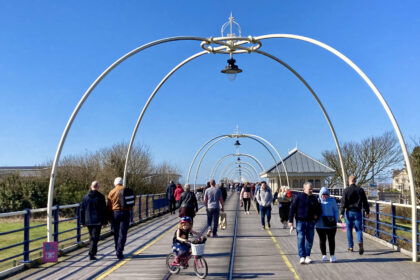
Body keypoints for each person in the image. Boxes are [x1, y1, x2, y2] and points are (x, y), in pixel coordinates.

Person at [288, 182, 321, 264]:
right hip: (300, 221)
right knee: (301, 238)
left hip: (311, 222)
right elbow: (292, 209)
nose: (311, 190)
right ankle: (302, 256)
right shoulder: (298, 198)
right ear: (304, 189)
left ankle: (307, 256)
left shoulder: (314, 198)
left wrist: (316, 216)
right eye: (309, 189)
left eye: (312, 189)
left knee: (310, 239)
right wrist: (290, 221)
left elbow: (318, 209)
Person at [340, 175, 370, 255]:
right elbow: (365, 201)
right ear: (355, 180)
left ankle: (350, 246)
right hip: (358, 212)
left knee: (349, 229)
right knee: (358, 229)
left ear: (349, 181)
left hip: (349, 212)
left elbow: (343, 202)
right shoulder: (360, 190)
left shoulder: (346, 190)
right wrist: (367, 211)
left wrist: (342, 212)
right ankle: (360, 242)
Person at [80, 181, 107, 260]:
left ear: (91, 186)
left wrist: (82, 221)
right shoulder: (101, 197)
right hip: (97, 220)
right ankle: (91, 253)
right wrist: (104, 222)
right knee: (95, 237)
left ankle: (93, 252)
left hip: (88, 220)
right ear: (98, 187)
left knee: (92, 236)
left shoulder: (85, 197)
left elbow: (82, 210)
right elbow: (104, 210)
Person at [107, 177, 131, 260]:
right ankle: (119, 251)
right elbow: (133, 200)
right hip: (126, 212)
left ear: (115, 183)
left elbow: (109, 205)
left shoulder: (112, 192)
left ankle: (117, 248)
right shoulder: (127, 189)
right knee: (123, 233)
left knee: (116, 232)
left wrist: (109, 216)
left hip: (115, 213)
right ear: (122, 182)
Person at [316, 187, 339, 263]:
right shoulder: (318, 201)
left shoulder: (332, 201)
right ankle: (324, 255)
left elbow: (336, 211)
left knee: (331, 240)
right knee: (322, 240)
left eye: (326, 194)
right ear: (320, 194)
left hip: (331, 224)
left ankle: (332, 255)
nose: (324, 196)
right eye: (323, 194)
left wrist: (335, 220)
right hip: (320, 225)